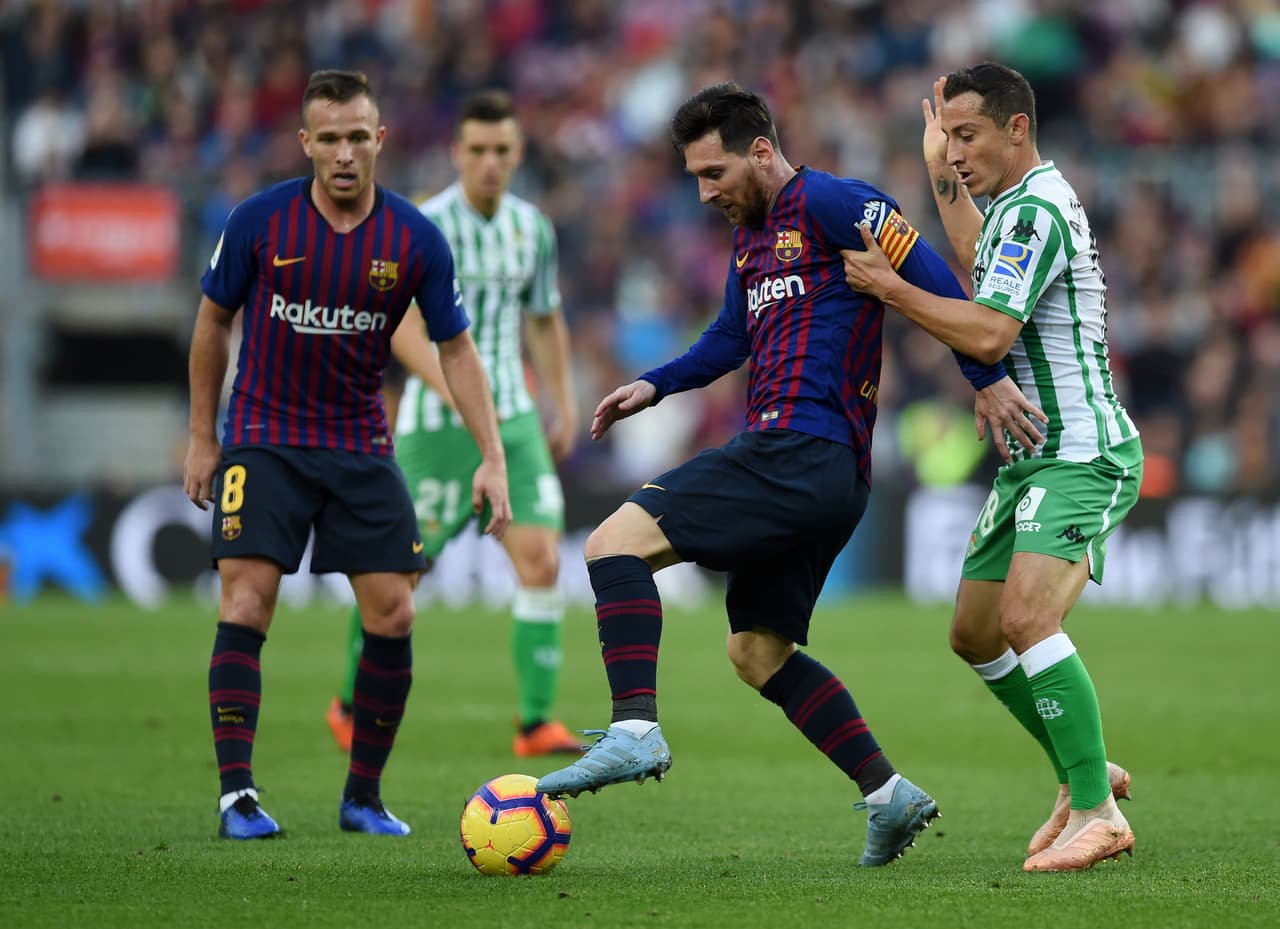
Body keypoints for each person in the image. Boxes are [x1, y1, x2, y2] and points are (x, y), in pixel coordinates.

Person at [534, 81, 1044, 867]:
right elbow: (729, 338)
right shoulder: (750, 238)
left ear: (762, 151)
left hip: (798, 452)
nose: (705, 193)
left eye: (714, 174)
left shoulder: (839, 203)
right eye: (695, 178)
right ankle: (888, 793)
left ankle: (634, 726)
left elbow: (938, 282)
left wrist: (986, 378)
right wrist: (656, 383)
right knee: (756, 653)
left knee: (611, 546)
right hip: (823, 476)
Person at [184, 69, 512, 840]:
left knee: (394, 611)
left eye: (356, 136)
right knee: (247, 601)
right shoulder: (259, 221)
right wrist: (204, 433)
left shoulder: (413, 240)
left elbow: (457, 351)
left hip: (360, 443)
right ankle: (238, 795)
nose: (342, 152)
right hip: (264, 438)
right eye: (327, 137)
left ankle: (362, 796)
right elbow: (210, 324)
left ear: (379, 141)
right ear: (305, 143)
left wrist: (491, 454)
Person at [842, 62, 1142, 872]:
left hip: (1082, 449)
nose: (958, 149)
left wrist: (888, 286)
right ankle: (1085, 769)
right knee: (974, 633)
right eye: (951, 134)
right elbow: (980, 257)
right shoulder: (1016, 205)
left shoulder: (1038, 206)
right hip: (1031, 460)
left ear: (1017, 128)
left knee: (1025, 621)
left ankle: (1096, 808)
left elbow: (986, 333)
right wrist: (938, 165)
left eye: (968, 135)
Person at [325, 89, 581, 759]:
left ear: (518, 153)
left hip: (517, 421)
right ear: (457, 153)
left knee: (541, 557)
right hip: (436, 424)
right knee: (398, 574)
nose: (490, 163)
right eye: (478, 150)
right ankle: (351, 703)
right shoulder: (421, 226)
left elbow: (546, 316)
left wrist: (563, 397)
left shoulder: (534, 229)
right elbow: (402, 327)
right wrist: (459, 393)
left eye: (502, 150)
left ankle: (534, 722)